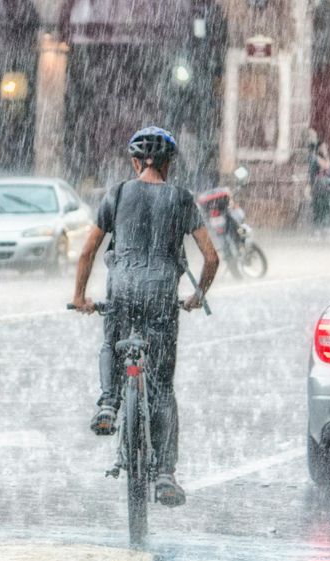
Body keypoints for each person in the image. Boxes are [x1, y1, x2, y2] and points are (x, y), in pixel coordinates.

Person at [71, 126, 220, 507]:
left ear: (135, 162)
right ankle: (166, 474)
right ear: (168, 164)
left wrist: (80, 296)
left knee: (111, 341)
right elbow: (211, 257)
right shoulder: (182, 199)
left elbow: (88, 251)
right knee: (162, 388)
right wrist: (197, 295)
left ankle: (107, 403)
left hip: (121, 290)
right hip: (161, 296)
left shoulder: (118, 194)